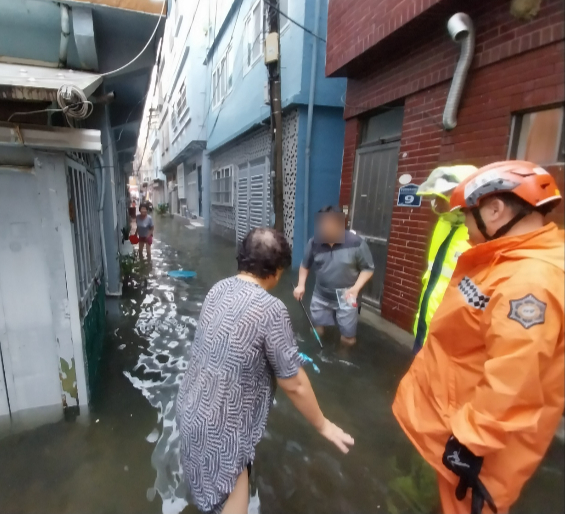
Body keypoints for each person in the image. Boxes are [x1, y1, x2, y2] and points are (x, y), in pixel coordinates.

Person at [392, 160, 564, 514]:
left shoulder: (530, 282)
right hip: (445, 427)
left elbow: (515, 380)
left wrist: (468, 443)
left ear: (495, 209)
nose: (465, 225)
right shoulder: (504, 260)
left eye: (467, 214)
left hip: (468, 455)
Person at [177, 228, 354, 514]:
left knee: (208, 495)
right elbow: (294, 384)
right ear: (277, 270)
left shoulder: (217, 290)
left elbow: (232, 346)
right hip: (224, 434)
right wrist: (323, 425)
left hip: (190, 409)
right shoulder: (271, 310)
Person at [413, 165, 477, 354]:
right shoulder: (443, 224)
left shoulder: (479, 233)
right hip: (425, 327)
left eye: (442, 196)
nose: (436, 203)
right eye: (434, 196)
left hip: (452, 340)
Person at [293, 206, 374, 347]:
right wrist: (301, 285)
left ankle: (344, 359)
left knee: (348, 337)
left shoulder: (356, 243)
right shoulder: (314, 243)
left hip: (347, 294)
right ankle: (318, 353)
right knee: (316, 328)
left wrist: (355, 289)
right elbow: (305, 265)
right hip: (321, 294)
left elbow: (368, 269)